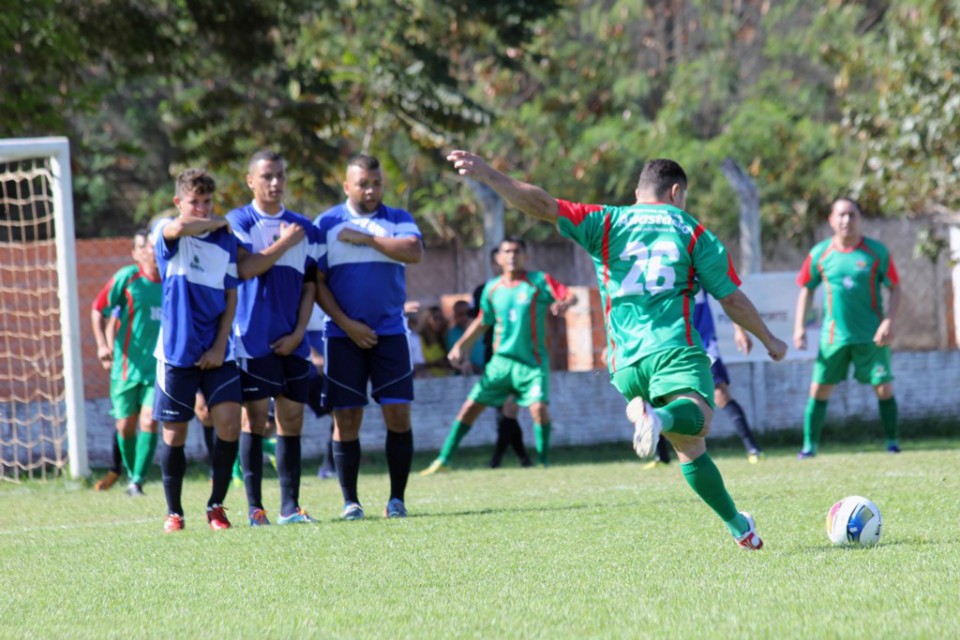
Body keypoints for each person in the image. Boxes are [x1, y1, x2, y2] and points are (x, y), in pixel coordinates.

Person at [446, 151, 787, 550]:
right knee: (701, 420)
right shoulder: (692, 231)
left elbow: (542, 204)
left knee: (690, 448)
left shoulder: (607, 220)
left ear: (637, 192)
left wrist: (489, 174)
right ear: (676, 192)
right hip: (673, 346)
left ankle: (739, 527)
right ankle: (656, 414)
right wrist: (769, 339)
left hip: (624, 362)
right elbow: (731, 298)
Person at [313, 153, 423, 520]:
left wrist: (366, 239)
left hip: (390, 333)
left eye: (376, 183)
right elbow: (317, 285)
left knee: (398, 416)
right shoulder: (326, 223)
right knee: (346, 419)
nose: (371, 190)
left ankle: (397, 500)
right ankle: (351, 502)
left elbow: (414, 251)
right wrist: (347, 324)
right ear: (347, 186)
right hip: (343, 336)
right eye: (363, 183)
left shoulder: (398, 219)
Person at [420, 236, 576, 474]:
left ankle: (544, 463)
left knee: (538, 409)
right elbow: (483, 321)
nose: (512, 255)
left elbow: (569, 295)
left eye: (516, 251)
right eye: (507, 251)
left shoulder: (538, 281)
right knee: (469, 407)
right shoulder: (492, 289)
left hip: (532, 363)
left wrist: (565, 303)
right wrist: (461, 346)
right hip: (501, 363)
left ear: (525, 255)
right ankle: (443, 460)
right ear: (498, 258)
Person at [226, 149, 321, 526]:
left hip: (293, 340)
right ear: (251, 180)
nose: (275, 183)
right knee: (254, 420)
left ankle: (290, 507)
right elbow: (246, 268)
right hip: (253, 338)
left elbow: (311, 284)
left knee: (292, 419)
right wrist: (283, 244)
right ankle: (255, 508)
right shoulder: (240, 220)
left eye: (280, 175)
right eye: (267, 176)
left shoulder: (304, 226)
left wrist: (299, 331)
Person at [152, 168, 243, 533]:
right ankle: (174, 512)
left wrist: (221, 345)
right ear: (178, 203)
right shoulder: (166, 232)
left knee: (230, 424)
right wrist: (218, 221)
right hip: (177, 351)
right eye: (194, 202)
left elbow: (231, 294)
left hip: (217, 351)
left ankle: (216, 506)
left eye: (208, 202)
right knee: (175, 434)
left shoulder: (225, 242)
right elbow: (177, 229)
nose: (202, 208)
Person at [794, 197, 901, 458]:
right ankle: (809, 447)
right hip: (834, 337)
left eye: (852, 215)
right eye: (841, 215)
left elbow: (895, 287)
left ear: (859, 219)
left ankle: (892, 443)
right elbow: (806, 290)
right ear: (831, 220)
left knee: (884, 388)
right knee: (818, 389)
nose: (846, 220)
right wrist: (799, 327)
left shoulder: (876, 252)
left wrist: (889, 321)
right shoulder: (820, 254)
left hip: (872, 336)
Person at [645, 290, 764, 468]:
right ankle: (661, 456)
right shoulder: (656, 271)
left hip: (704, 343)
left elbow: (726, 293)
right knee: (658, 394)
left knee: (720, 393)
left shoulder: (697, 265)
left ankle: (752, 448)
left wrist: (739, 329)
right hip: (670, 344)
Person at [91, 229, 163, 496]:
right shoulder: (127, 279)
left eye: (155, 246)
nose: (151, 252)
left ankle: (137, 481)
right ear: (136, 253)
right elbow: (100, 309)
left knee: (149, 421)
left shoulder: (172, 280)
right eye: (144, 247)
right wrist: (102, 345)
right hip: (125, 368)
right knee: (124, 425)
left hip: (158, 370)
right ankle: (133, 475)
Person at [472, 249, 533, 469]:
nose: (509, 261)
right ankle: (520, 458)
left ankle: (500, 459)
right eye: (503, 257)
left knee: (510, 408)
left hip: (520, 356)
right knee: (504, 410)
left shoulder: (528, 288)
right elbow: (478, 321)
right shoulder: (484, 290)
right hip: (495, 356)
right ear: (495, 262)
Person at [447, 300, 485, 375]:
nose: (464, 317)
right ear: (455, 315)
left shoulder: (482, 330)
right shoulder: (451, 335)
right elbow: (454, 360)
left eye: (467, 313)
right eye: (460, 314)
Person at [416, 305, 453, 378]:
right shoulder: (419, 339)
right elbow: (417, 364)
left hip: (445, 379)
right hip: (426, 380)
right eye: (435, 318)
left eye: (440, 318)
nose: (438, 322)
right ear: (427, 319)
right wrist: (435, 363)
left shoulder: (444, 338)